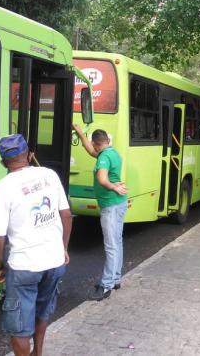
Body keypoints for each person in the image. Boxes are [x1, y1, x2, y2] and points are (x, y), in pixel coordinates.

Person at [0, 134, 72, 356]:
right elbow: (67, 215)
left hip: (24, 266)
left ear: (3, 162)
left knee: (19, 327)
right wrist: (63, 249)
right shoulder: (49, 175)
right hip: (54, 261)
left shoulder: (3, 187)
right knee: (42, 312)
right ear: (30, 155)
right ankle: (38, 352)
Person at [73, 124, 128, 301]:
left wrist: (113, 187)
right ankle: (116, 278)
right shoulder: (111, 153)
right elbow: (90, 151)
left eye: (93, 144)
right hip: (117, 204)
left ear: (97, 144)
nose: (93, 148)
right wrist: (81, 134)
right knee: (117, 242)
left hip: (111, 206)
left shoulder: (104, 158)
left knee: (111, 245)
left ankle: (106, 285)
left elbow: (102, 179)